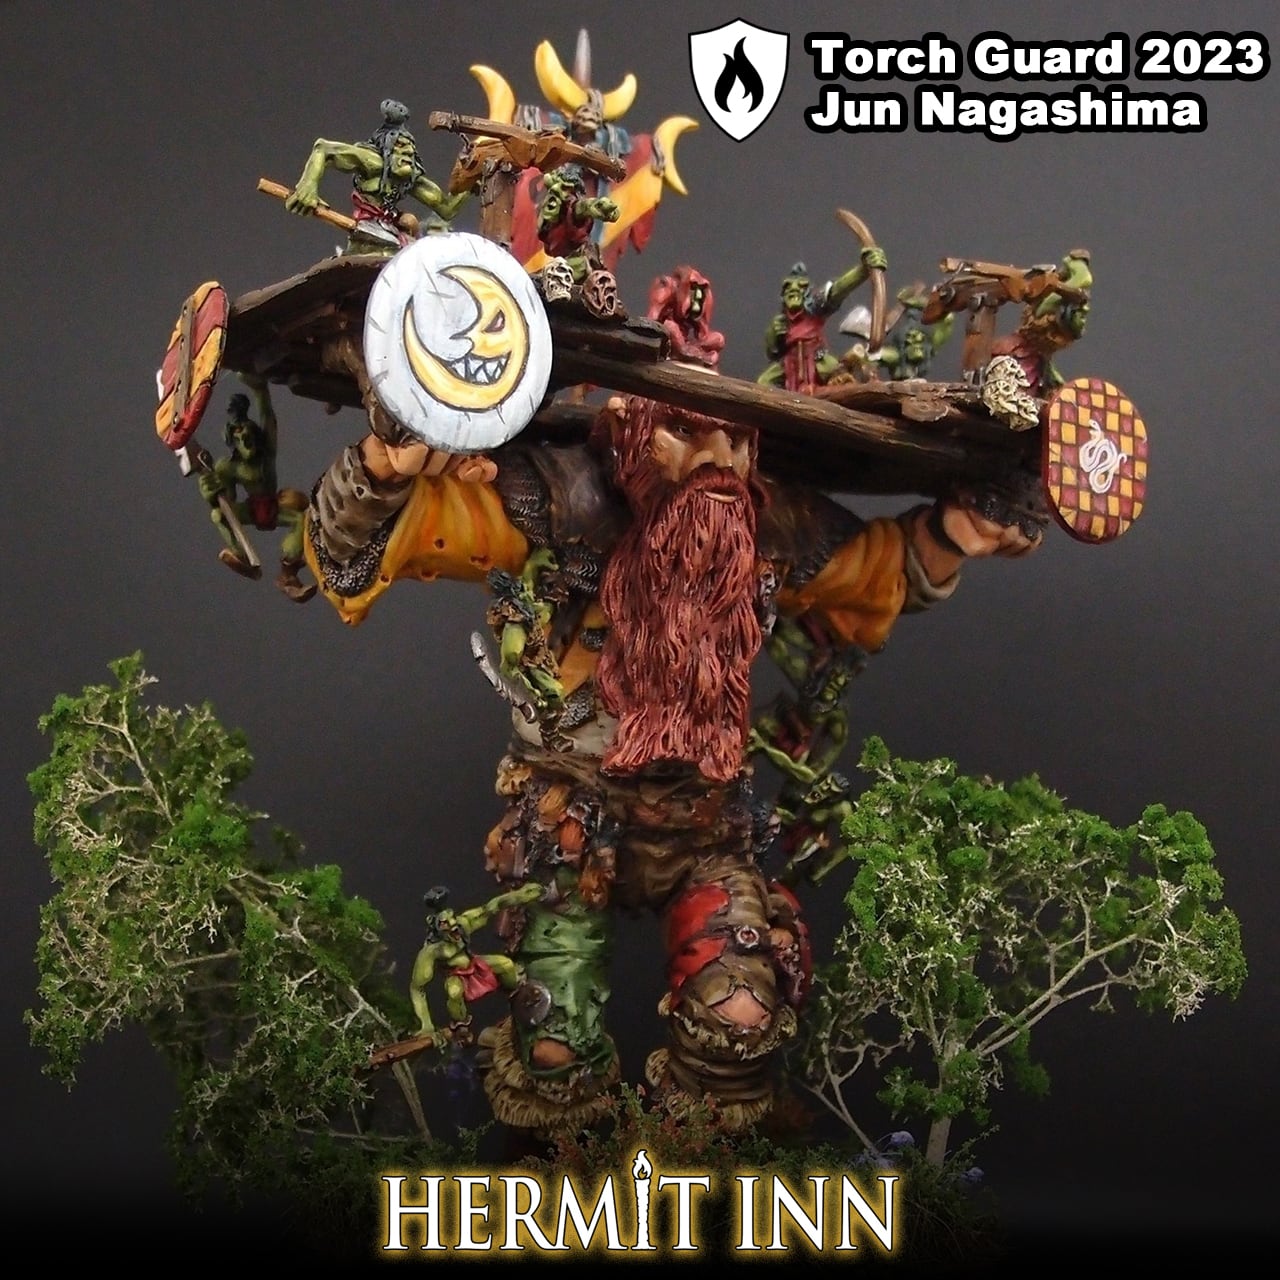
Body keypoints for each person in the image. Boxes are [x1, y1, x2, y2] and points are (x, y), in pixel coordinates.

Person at [302, 396, 1038, 1134]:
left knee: (741, 1011)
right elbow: (386, 536)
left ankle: (701, 1172)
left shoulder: (769, 525)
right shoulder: (560, 500)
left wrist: (955, 531)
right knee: (554, 1041)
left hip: (703, 826)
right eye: (683, 433)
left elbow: (882, 572)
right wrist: (383, 466)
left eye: (735, 440)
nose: (716, 459)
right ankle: (560, 1171)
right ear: (631, 433)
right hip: (571, 820)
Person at [284, 100, 467, 254]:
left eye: (411, 150)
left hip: (391, 231)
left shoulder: (409, 176)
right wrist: (307, 187)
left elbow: (447, 208)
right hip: (366, 233)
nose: (408, 153)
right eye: (400, 146)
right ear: (387, 148)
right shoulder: (374, 161)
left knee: (410, 231)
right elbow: (324, 148)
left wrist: (475, 177)